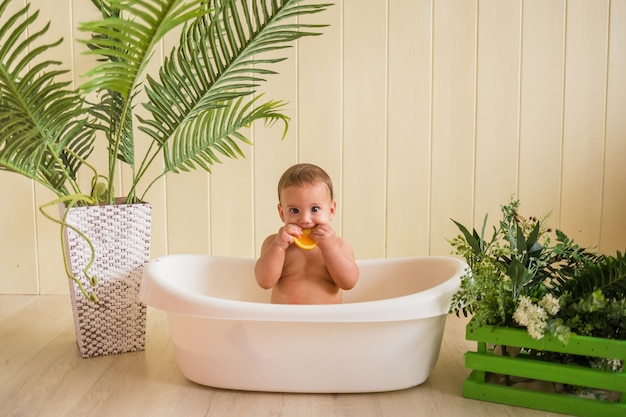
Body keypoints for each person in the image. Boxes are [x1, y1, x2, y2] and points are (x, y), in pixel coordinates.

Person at [254, 163, 359, 304]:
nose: (304, 219)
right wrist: (278, 246)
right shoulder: (274, 243)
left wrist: (330, 248)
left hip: (327, 322)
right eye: (294, 211)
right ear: (281, 213)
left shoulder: (340, 245)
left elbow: (349, 283)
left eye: (315, 209)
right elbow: (264, 282)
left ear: (331, 210)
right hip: (285, 322)